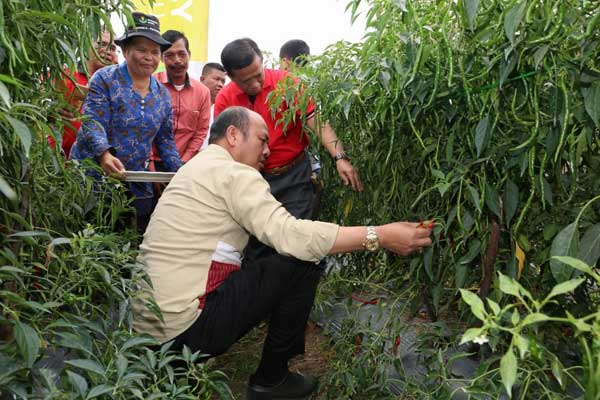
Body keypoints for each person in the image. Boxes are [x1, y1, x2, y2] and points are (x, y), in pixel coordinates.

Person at [132, 106, 433, 400]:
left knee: (266, 260)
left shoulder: (194, 169)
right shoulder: (234, 173)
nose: (267, 151)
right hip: (186, 330)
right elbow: (290, 236)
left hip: (146, 332)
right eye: (262, 139)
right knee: (301, 262)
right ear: (234, 135)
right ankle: (272, 380)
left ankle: (182, 367)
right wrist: (378, 234)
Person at [215, 38, 363, 262]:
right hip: (251, 180)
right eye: (247, 81)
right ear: (231, 76)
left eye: (258, 74)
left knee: (296, 238)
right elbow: (223, 146)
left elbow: (317, 122)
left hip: (293, 176)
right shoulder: (226, 98)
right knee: (257, 243)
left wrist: (340, 157)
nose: (255, 84)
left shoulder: (287, 84)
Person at [70, 12, 182, 233]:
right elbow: (92, 121)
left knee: (127, 242)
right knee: (87, 239)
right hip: (92, 176)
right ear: (125, 50)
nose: (149, 57)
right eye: (141, 50)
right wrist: (103, 154)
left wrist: (181, 173)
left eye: (155, 52)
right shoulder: (105, 79)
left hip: (133, 181)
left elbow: (166, 141)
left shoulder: (162, 95)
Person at [49, 30, 118, 158]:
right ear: (86, 46)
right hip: (57, 160)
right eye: (102, 44)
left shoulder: (117, 87)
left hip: (96, 164)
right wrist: (50, 109)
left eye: (113, 48)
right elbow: (36, 98)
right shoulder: (64, 75)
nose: (108, 51)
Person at [150, 30, 211, 170]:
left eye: (182, 54)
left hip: (186, 164)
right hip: (153, 164)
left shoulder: (202, 92)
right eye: (170, 55)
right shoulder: (151, 85)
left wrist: (182, 163)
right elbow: (144, 129)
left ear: (189, 55)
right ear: (161, 58)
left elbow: (200, 132)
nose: (177, 60)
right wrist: (150, 165)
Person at [199, 62, 227, 149]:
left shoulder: (224, 111)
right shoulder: (190, 105)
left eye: (223, 81)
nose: (220, 84)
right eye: (216, 79)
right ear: (202, 79)